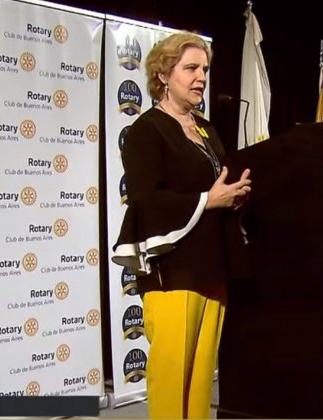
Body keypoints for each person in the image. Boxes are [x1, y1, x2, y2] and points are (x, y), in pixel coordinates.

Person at [112, 31, 252, 419]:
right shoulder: (146, 130)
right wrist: (209, 200)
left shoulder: (206, 130)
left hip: (213, 269)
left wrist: (233, 195)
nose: (201, 77)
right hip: (172, 274)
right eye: (191, 68)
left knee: (201, 381)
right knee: (173, 382)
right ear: (163, 74)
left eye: (204, 69)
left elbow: (215, 187)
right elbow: (146, 201)